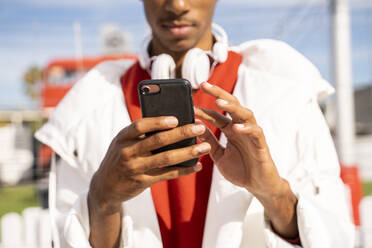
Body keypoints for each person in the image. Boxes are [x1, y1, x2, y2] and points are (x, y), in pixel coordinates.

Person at [35, 0, 355, 247]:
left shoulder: (284, 87)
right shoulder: (89, 105)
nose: (177, 5)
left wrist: (273, 193)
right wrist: (102, 199)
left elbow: (338, 235)